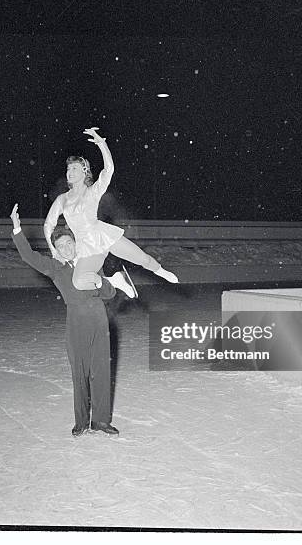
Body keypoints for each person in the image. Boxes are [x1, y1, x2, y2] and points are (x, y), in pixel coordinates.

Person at [10, 203, 134, 437]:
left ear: (76, 243)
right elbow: (29, 256)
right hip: (76, 323)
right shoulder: (56, 268)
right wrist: (17, 230)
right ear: (56, 250)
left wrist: (100, 283)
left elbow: (110, 294)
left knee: (101, 371)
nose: (66, 248)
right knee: (80, 373)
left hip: (99, 321)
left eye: (69, 243)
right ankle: (81, 421)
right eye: (61, 246)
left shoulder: (91, 264)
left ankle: (100, 421)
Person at [44, 127, 180, 291]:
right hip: (85, 246)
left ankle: (161, 271)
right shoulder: (62, 199)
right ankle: (114, 281)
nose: (69, 172)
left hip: (103, 235)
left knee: (143, 260)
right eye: (68, 169)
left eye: (74, 168)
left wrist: (101, 144)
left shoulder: (92, 191)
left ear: (84, 172)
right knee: (79, 283)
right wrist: (54, 251)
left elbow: (109, 170)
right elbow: (48, 225)